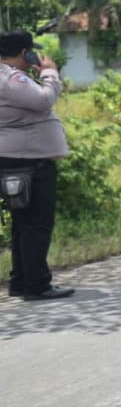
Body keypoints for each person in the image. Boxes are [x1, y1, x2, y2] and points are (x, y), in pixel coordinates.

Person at [0, 30, 74, 301]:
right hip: (29, 162)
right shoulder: (12, 78)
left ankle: (21, 281)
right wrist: (50, 73)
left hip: (15, 159)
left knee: (23, 224)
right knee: (36, 224)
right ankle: (37, 285)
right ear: (23, 53)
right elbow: (44, 100)